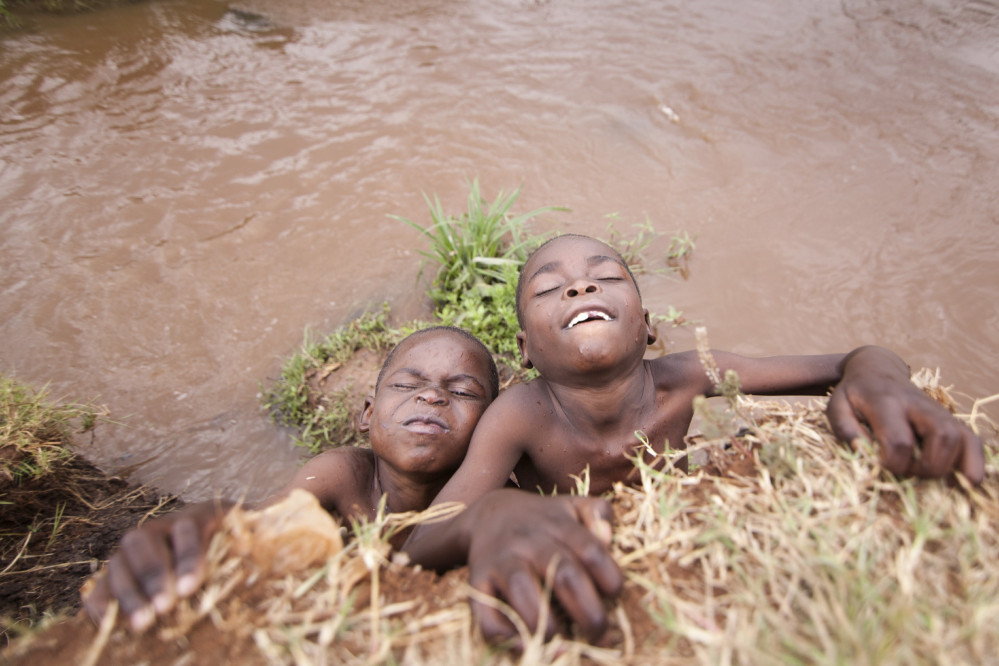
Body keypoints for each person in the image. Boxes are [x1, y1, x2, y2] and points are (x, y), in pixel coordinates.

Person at [401, 233, 986, 645]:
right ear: (526, 350)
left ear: (648, 325)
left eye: (605, 278)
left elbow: (857, 357)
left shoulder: (688, 377)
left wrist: (878, 378)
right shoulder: (518, 415)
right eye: (550, 289)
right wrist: (493, 514)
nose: (580, 289)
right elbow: (418, 545)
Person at [82, 325, 499, 633]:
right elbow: (264, 521)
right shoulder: (344, 476)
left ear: (493, 427)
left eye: (462, 392)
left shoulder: (491, 502)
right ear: (368, 413)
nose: (430, 397)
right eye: (407, 384)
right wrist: (219, 526)